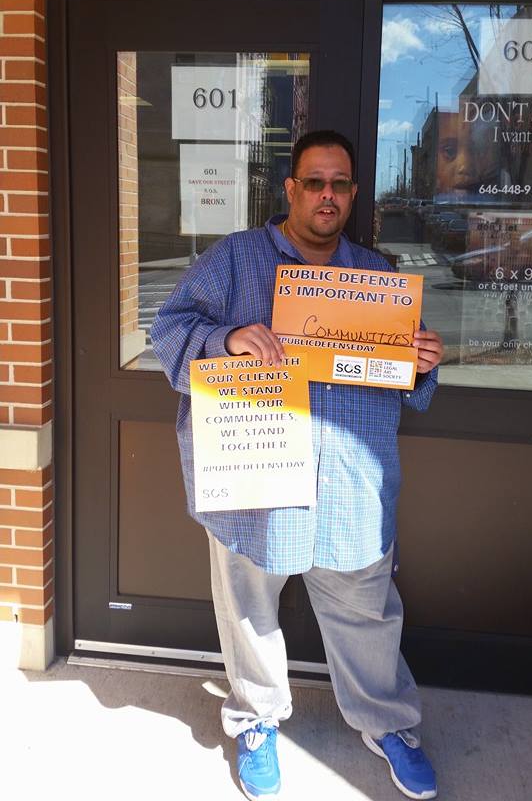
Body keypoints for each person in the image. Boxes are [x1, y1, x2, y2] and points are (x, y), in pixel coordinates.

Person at [151, 130, 443, 801]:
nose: (326, 195)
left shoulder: (378, 277)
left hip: (351, 482)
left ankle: (386, 723)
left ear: (354, 193)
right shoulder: (235, 259)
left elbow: (407, 382)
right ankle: (256, 721)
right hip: (255, 479)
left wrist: (421, 363)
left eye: (339, 184)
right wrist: (226, 338)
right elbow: (167, 332)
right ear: (291, 189)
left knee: (367, 616)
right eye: (314, 182)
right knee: (249, 612)